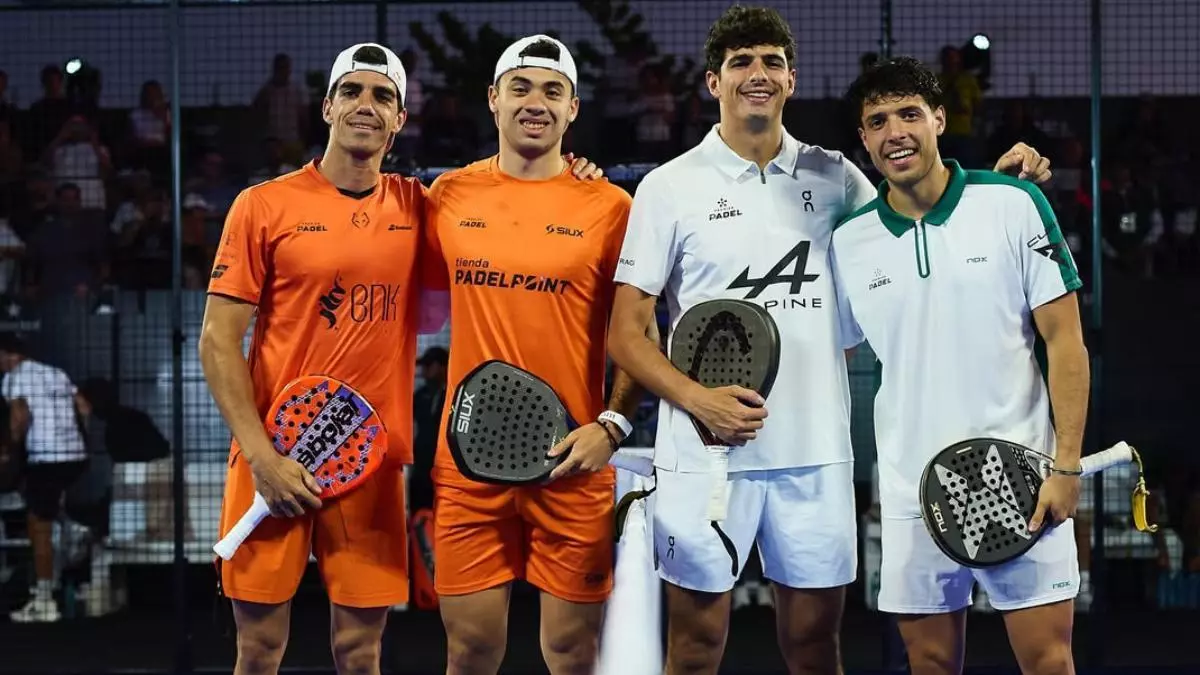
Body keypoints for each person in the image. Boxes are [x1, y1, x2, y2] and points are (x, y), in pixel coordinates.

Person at [605, 6, 1053, 674]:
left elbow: (922, 219)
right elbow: (625, 333)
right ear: (713, 82)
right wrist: (700, 402)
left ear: (791, 78)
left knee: (816, 647)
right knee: (694, 649)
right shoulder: (668, 188)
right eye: (740, 62)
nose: (758, 74)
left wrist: (997, 185)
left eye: (772, 61)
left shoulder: (838, 177)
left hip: (814, 455)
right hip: (703, 457)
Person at [201, 41, 601, 675]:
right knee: (259, 651)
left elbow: (512, 215)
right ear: (327, 106)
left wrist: (575, 177)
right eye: (352, 92)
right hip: (274, 453)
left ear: (399, 119)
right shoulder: (262, 205)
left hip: (371, 461)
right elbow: (217, 340)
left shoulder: (423, 205)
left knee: (361, 653)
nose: (366, 105)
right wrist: (261, 456)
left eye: (382, 96)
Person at [829, 56, 1088, 675]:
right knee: (929, 664)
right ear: (863, 138)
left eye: (909, 114)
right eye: (878, 122)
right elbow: (833, 353)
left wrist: (1067, 467)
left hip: (1022, 478)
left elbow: (1066, 342)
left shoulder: (1013, 203)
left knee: (1049, 662)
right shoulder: (848, 241)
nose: (895, 133)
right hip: (912, 492)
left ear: (939, 119)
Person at [420, 35, 650, 675]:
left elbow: (639, 334)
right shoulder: (447, 196)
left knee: (572, 655)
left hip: (571, 463)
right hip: (468, 463)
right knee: (470, 652)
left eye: (553, 91)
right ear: (493, 99)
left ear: (573, 109)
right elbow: (405, 297)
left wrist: (613, 426)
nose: (535, 103)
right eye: (520, 88)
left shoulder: (612, 207)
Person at [0, 332, 89, 623]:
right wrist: (75, 439)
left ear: (8, 354)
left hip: (45, 457)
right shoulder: (56, 373)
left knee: (38, 526)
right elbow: (84, 408)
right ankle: (72, 527)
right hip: (75, 457)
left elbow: (19, 417)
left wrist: (12, 451)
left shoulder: (14, 377)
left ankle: (44, 600)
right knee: (46, 506)